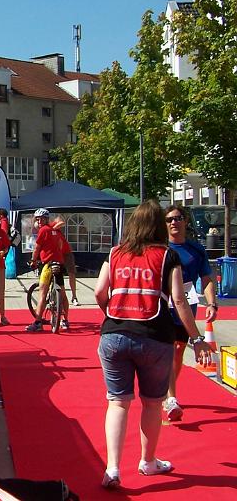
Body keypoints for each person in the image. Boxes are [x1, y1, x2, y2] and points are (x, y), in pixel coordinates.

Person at [94, 201, 211, 489]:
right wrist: (196, 338)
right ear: (158, 224)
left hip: (113, 334)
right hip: (155, 336)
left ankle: (112, 468)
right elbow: (179, 300)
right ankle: (148, 461)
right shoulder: (167, 255)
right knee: (151, 403)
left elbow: (99, 291)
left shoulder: (115, 252)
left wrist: (112, 313)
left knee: (118, 402)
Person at [163, 204, 218, 422]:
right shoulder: (160, 248)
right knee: (167, 350)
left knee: (178, 350)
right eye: (169, 220)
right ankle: (171, 397)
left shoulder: (196, 250)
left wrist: (212, 303)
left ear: (185, 221)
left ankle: (167, 393)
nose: (173, 223)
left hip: (187, 308)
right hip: (163, 306)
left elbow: (206, 279)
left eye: (177, 218)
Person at [26, 208, 71, 332]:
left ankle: (38, 322)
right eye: (38, 219)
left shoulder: (44, 230)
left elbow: (37, 248)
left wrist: (33, 260)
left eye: (41, 219)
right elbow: (61, 245)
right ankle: (65, 320)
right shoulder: (55, 230)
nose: (39, 221)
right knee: (62, 293)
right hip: (59, 263)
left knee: (42, 293)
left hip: (49, 264)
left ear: (46, 220)